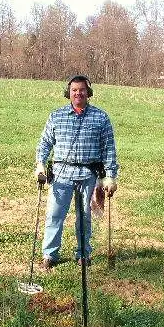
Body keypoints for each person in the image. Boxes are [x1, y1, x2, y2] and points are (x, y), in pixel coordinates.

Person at [35, 75, 119, 270]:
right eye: (74, 90)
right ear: (69, 93)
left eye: (81, 90)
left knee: (85, 217)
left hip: (88, 176)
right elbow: (45, 143)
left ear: (88, 93)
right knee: (54, 216)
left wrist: (110, 176)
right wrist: (40, 164)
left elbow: (109, 149)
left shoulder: (101, 117)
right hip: (61, 175)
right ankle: (49, 255)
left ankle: (83, 254)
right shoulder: (56, 116)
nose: (78, 93)